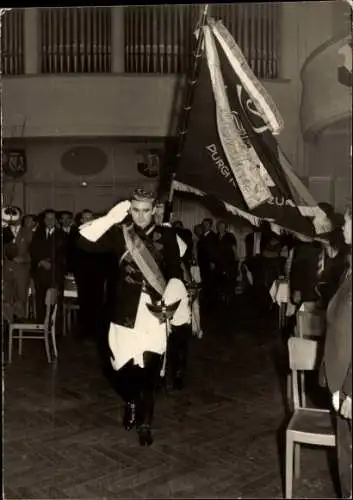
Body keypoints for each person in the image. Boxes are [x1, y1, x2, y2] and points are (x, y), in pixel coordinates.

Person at [77, 188, 188, 446]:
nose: (140, 216)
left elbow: (174, 268)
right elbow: (83, 241)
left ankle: (145, 424)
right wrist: (109, 218)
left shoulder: (168, 234)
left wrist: (173, 286)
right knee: (122, 370)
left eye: (145, 210)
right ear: (130, 210)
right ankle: (129, 399)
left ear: (154, 210)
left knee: (149, 372)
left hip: (154, 312)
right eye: (135, 210)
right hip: (123, 311)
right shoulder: (119, 233)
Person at [321, 204, 352, 499]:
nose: (342, 228)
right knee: (346, 466)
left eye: (347, 222)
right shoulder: (350, 265)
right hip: (342, 381)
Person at [30, 209, 67, 323]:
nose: (49, 220)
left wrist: (51, 263)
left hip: (55, 274)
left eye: (52, 218)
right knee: (41, 300)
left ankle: (56, 329)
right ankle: (42, 326)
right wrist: (40, 261)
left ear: (55, 220)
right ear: (44, 220)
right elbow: (32, 251)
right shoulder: (37, 234)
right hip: (40, 274)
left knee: (56, 302)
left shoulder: (63, 235)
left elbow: (65, 255)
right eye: (47, 218)